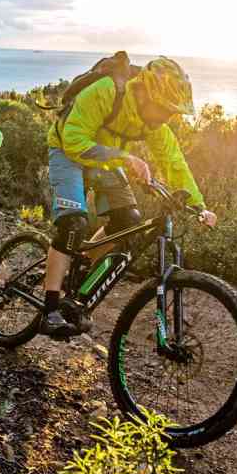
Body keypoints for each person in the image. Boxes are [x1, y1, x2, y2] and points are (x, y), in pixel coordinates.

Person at [41, 56, 218, 337]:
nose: (167, 117)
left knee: (128, 221)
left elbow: (174, 162)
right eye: (165, 109)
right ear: (146, 93)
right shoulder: (107, 91)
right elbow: (73, 140)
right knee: (74, 223)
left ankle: (80, 263)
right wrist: (124, 157)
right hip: (67, 150)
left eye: (172, 112)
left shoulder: (154, 123)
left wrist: (198, 205)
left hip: (106, 161)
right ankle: (49, 309)